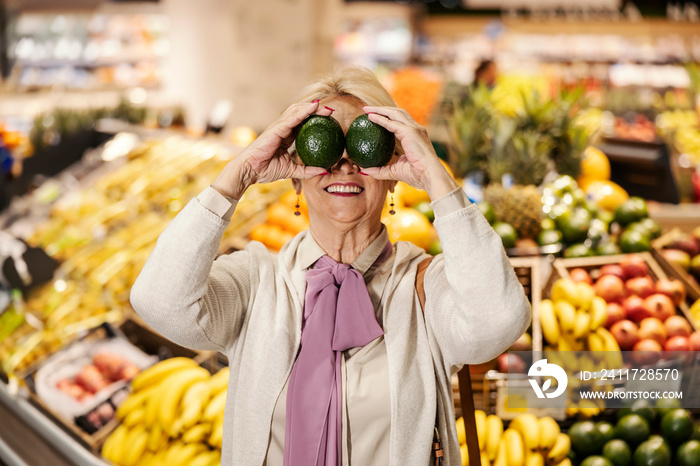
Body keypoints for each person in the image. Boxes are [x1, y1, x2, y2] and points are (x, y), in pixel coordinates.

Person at [130, 66, 530, 466]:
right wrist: (239, 174)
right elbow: (158, 302)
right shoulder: (257, 282)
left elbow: (497, 322)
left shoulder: (425, 288)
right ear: (295, 175)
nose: (343, 163)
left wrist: (436, 179)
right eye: (326, 142)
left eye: (360, 142)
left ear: (392, 175)